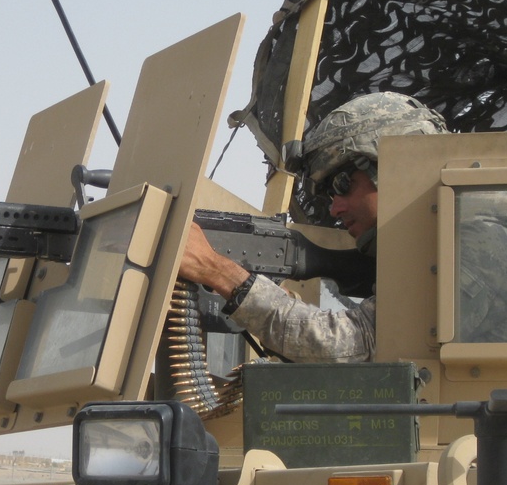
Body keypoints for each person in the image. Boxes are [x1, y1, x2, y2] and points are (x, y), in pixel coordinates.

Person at [178, 92, 449, 363]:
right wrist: (280, 301)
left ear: (394, 167)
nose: (335, 209)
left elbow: (352, 344)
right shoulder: (431, 250)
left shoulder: (466, 237)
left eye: (342, 184)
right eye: (330, 196)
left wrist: (218, 271)